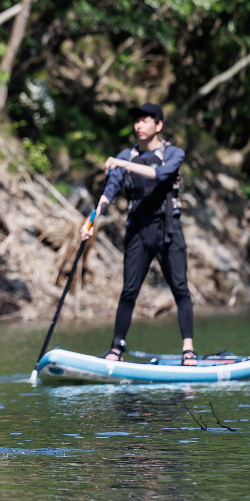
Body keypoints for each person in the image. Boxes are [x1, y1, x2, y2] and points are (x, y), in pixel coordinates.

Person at [81, 103, 198, 365]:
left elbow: (159, 174)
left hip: (168, 230)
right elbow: (109, 191)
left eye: (145, 121)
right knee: (129, 291)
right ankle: (116, 348)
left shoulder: (173, 153)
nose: (138, 126)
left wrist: (122, 163)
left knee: (180, 288)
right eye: (136, 121)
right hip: (137, 230)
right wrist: (91, 220)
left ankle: (188, 349)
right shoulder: (128, 155)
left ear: (158, 125)